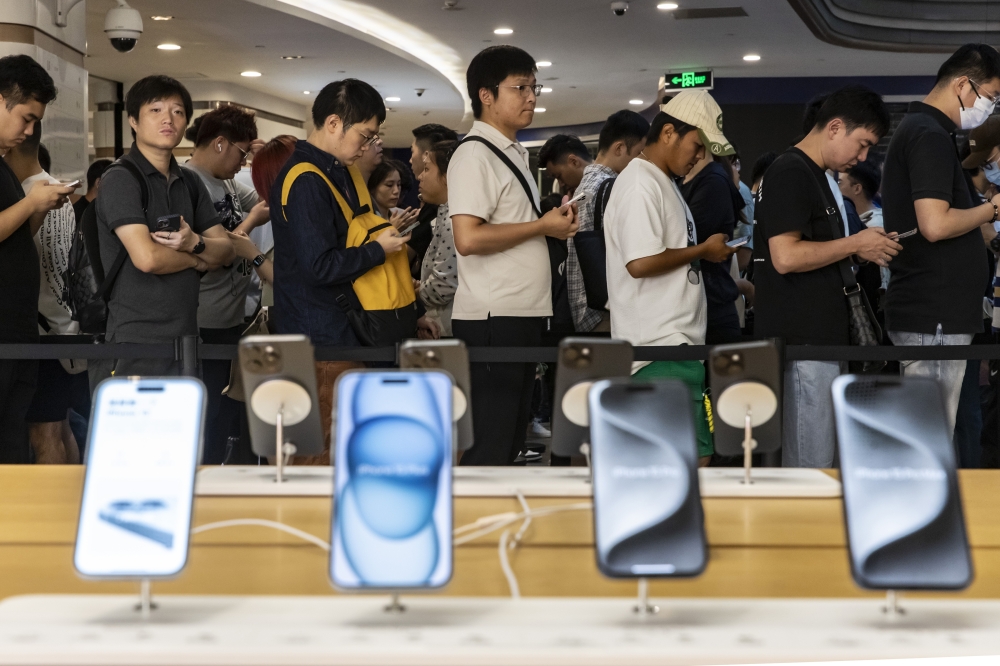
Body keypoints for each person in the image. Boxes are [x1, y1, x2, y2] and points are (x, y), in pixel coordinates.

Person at [754, 85, 899, 468]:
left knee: (823, 464)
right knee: (810, 469)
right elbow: (785, 256)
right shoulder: (790, 171)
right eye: (862, 144)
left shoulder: (814, 174)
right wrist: (855, 244)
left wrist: (860, 247)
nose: (862, 157)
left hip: (820, 342)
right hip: (804, 343)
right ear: (835, 127)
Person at [448, 45, 578, 466]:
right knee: (491, 443)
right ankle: (474, 511)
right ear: (486, 95)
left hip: (517, 314)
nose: (531, 97)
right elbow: (468, 238)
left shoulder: (511, 152)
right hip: (493, 317)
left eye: (534, 87)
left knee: (508, 443)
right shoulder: (474, 154)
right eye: (520, 88)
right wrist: (542, 227)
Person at [271, 78, 411, 461]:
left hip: (342, 332)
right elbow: (319, 266)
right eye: (364, 136)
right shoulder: (306, 180)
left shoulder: (337, 171)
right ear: (334, 123)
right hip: (321, 338)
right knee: (320, 455)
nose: (367, 146)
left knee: (342, 451)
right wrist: (378, 250)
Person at [604, 91, 737, 465]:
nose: (699, 156)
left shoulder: (660, 181)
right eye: (697, 145)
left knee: (682, 461)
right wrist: (703, 251)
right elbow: (640, 263)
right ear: (667, 133)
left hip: (672, 347)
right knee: (683, 462)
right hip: (659, 347)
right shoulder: (640, 183)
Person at [883, 44, 1000, 440]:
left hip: (937, 311)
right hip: (932, 313)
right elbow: (934, 224)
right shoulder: (927, 134)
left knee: (931, 434)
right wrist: (992, 210)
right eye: (990, 97)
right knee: (927, 438)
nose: (989, 107)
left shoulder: (929, 132)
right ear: (963, 85)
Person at [89, 75, 235, 391]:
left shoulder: (190, 182)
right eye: (155, 110)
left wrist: (194, 242)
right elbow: (148, 258)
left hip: (187, 338)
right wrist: (199, 259)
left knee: (187, 424)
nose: (168, 119)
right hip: (135, 339)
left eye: (177, 111)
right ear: (133, 120)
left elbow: (226, 251)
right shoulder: (120, 179)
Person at [181, 105, 269, 464]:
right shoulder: (187, 182)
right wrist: (248, 226)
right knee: (206, 416)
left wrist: (265, 160)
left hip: (233, 319)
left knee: (223, 414)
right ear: (220, 143)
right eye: (241, 152)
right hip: (204, 319)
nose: (242, 162)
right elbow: (217, 250)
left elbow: (267, 202)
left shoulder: (228, 181)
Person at [0, 55, 74, 464]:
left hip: (19, 329)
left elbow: (12, 242)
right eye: (26, 118)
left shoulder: (4, 165)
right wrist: (31, 202)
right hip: (6, 333)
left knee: (14, 442)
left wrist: (39, 208)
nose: (29, 131)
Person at [681, 152, 747, 344]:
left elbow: (684, 244)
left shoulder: (714, 182)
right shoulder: (683, 182)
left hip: (710, 311)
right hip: (697, 310)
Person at [415, 140, 459, 337]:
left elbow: (443, 286)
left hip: (448, 328)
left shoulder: (454, 220)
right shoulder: (446, 213)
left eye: (426, 169)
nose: (420, 176)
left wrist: (414, 292)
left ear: (448, 176)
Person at [409, 124, 459, 277]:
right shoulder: (441, 207)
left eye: (412, 152)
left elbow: (444, 282)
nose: (410, 160)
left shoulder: (450, 217)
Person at [839, 158, 889, 291]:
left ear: (857, 188)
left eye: (839, 183)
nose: (836, 188)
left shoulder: (875, 226)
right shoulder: (881, 216)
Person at [368, 158, 419, 229]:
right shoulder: (365, 221)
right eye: (389, 185)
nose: (396, 191)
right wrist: (392, 229)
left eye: (398, 184)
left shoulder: (402, 216)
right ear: (372, 188)